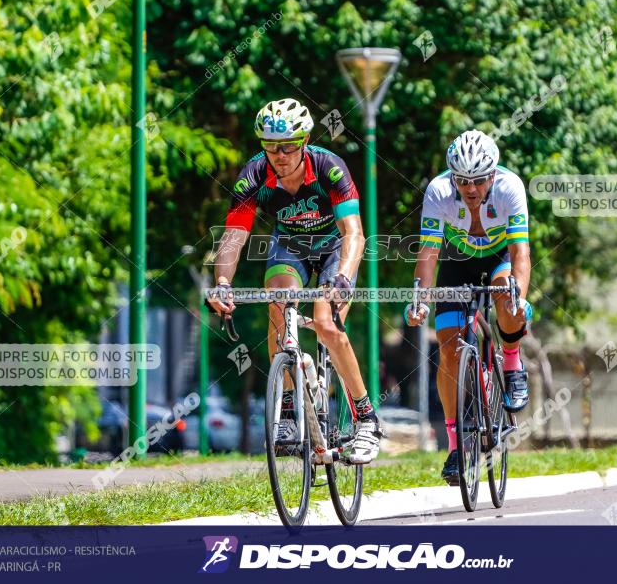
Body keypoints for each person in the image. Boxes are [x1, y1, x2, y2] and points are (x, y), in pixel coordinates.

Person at [207, 98, 381, 464]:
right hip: (289, 246)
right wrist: (222, 281)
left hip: (335, 246)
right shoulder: (254, 175)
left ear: (303, 142)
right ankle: (289, 405)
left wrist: (344, 279)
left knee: (325, 323)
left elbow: (354, 232)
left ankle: (367, 420)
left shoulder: (330, 168)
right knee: (280, 302)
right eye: (270, 147)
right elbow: (234, 236)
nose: (279, 155)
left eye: (287, 146)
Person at [405, 130, 532, 484]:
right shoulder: (439, 191)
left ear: (493, 175)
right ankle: (457, 445)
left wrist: (517, 295)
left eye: (478, 180)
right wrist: (420, 299)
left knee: (504, 294)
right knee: (448, 349)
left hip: (498, 261)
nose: (470, 188)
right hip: (457, 263)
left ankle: (511, 361)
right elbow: (428, 253)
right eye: (462, 180)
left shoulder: (510, 187)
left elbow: (521, 253)